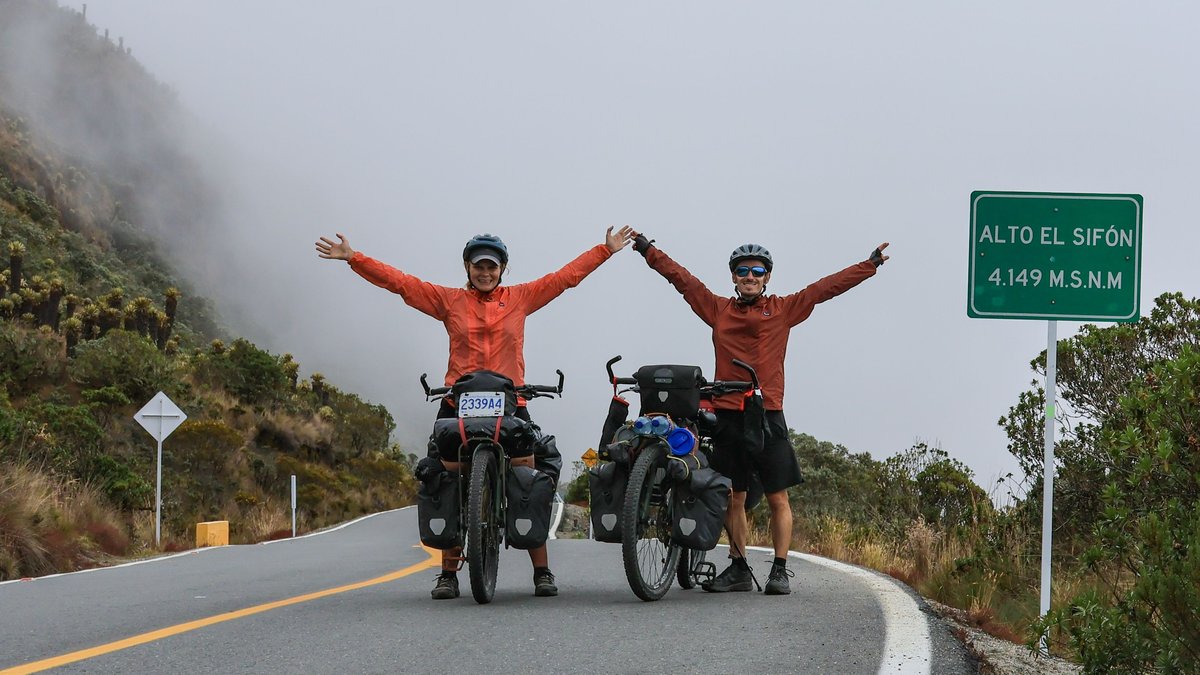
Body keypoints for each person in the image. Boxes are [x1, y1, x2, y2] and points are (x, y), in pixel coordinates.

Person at [315, 226, 634, 599]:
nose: (485, 272)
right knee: (447, 481)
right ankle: (448, 574)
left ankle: (542, 571)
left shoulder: (521, 297)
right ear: (467, 267)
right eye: (478, 266)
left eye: (492, 266)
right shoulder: (448, 301)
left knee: (525, 480)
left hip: (511, 401)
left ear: (502, 269)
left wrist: (605, 250)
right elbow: (401, 284)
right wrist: (355, 258)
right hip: (457, 400)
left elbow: (564, 279)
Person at [629, 233, 888, 595]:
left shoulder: (783, 309)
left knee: (777, 498)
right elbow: (682, 280)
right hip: (728, 414)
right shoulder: (718, 309)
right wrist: (647, 250)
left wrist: (869, 265)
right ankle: (737, 568)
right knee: (733, 496)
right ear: (733, 278)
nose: (749, 277)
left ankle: (779, 570)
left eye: (756, 272)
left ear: (767, 278)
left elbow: (825, 288)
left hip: (766, 413)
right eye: (742, 272)